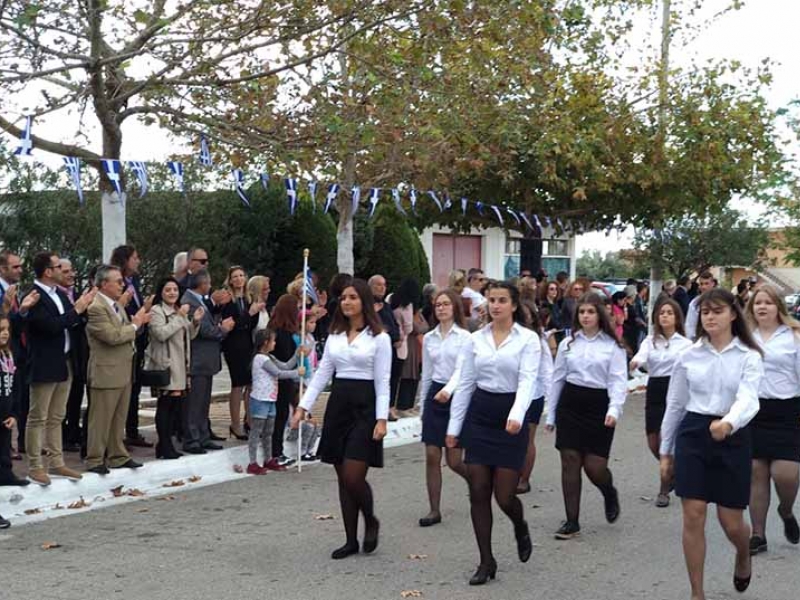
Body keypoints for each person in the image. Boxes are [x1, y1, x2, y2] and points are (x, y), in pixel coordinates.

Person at [660, 288, 762, 599]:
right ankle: (697, 593)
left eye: (717, 311)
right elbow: (675, 404)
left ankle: (742, 552)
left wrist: (728, 422)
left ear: (732, 315)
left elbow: (749, 398)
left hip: (733, 436)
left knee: (731, 523)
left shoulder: (749, 355)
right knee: (693, 513)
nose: (710, 317)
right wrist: (665, 451)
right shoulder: (688, 355)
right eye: (705, 312)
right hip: (693, 433)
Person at [446, 281, 541, 585]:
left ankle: (519, 523)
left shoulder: (528, 340)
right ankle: (486, 561)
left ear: (513, 305)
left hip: (510, 416)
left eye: (502, 300)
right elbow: (465, 383)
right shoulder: (475, 339)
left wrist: (517, 415)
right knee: (478, 490)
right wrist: (454, 428)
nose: (496, 305)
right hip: (481, 415)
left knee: (504, 496)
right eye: (492, 300)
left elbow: (528, 381)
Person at [292, 279, 391, 560]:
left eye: (353, 297)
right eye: (344, 298)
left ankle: (370, 519)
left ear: (364, 301)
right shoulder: (335, 335)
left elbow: (383, 381)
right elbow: (322, 374)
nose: (347, 302)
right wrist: (303, 407)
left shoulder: (379, 337)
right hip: (339, 406)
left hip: (366, 407)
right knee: (342, 478)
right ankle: (350, 540)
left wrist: (381, 419)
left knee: (353, 475)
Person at [546, 292, 627, 540]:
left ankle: (608, 491)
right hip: (570, 404)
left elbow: (618, 381)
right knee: (570, 460)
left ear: (599, 314)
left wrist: (614, 409)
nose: (585, 316)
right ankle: (572, 521)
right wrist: (550, 414)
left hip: (599, 406)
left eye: (590, 312)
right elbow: (557, 379)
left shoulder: (612, 346)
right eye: (581, 312)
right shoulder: (568, 343)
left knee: (594, 467)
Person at [21, 252, 95, 485]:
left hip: (65, 361)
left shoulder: (59, 294)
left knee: (56, 416)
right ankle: (35, 466)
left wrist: (82, 309)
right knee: (38, 417)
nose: (63, 271)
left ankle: (57, 462)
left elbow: (72, 321)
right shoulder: (34, 295)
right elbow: (50, 326)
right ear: (47, 271)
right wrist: (77, 311)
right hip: (44, 362)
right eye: (57, 267)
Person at [744, 285, 800, 553]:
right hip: (754, 411)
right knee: (757, 473)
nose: (762, 307)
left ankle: (786, 511)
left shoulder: (794, 336)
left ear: (778, 306)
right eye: (758, 303)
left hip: (788, 410)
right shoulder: (745, 337)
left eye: (767, 302)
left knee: (785, 474)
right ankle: (758, 535)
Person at [85, 265, 150, 474]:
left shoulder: (116, 305)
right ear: (104, 284)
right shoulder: (96, 307)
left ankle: (117, 455)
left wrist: (135, 324)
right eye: (119, 281)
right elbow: (111, 336)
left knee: (118, 417)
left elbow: (123, 332)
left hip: (123, 369)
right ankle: (95, 458)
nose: (123, 285)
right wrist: (135, 325)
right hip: (105, 371)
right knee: (101, 418)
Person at [630, 299, 692, 507]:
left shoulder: (685, 344)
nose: (665, 316)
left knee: (667, 439)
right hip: (655, 389)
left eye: (669, 312)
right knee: (653, 442)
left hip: (675, 389)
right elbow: (641, 356)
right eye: (662, 312)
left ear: (677, 317)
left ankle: (664, 489)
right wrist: (636, 362)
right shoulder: (650, 341)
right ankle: (674, 470)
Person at [418, 288, 469, 527]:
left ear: (455, 307)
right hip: (434, 394)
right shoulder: (429, 338)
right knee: (431, 455)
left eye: (446, 304)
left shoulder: (465, 337)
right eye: (438, 304)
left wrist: (448, 390)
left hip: (456, 395)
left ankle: (479, 482)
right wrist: (423, 406)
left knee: (455, 460)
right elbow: (427, 374)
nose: (441, 308)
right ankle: (434, 510)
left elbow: (462, 370)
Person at [145, 277, 202, 460]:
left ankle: (165, 444)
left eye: (175, 290)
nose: (172, 293)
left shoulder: (179, 310)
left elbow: (187, 335)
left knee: (175, 406)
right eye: (168, 289)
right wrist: (180, 317)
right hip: (166, 365)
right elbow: (161, 334)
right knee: (165, 405)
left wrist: (195, 322)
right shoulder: (157, 310)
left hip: (181, 365)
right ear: (161, 292)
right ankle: (164, 445)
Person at [181, 270, 234, 454]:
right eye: (209, 283)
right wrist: (223, 329)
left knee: (203, 403)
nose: (210, 286)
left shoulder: (200, 300)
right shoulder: (189, 301)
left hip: (206, 361)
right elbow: (202, 330)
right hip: (197, 360)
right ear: (202, 284)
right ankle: (192, 439)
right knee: (195, 403)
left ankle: (203, 436)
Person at [110, 245, 153, 449]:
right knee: (122, 389)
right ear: (125, 260)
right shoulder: (116, 282)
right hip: (123, 337)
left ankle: (132, 430)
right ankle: (115, 437)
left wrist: (145, 309)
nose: (138, 261)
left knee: (134, 388)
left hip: (137, 339)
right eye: (135, 258)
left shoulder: (134, 281)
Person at [248, 328, 304, 474]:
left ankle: (268, 459)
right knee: (256, 431)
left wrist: (297, 354)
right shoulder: (260, 359)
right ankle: (252, 462)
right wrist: (296, 373)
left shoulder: (270, 357)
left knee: (269, 431)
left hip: (270, 398)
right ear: (265, 342)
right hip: (260, 399)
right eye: (273, 341)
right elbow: (278, 373)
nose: (275, 343)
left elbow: (285, 366)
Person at [221, 266, 263, 440]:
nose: (238, 279)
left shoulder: (248, 298)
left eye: (241, 275)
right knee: (238, 384)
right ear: (230, 280)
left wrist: (253, 313)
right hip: (233, 345)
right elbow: (232, 324)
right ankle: (235, 424)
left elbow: (251, 324)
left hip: (247, 343)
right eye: (235, 276)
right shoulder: (228, 300)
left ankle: (250, 421)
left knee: (250, 384)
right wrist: (249, 313)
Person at [517, 306, 554, 495]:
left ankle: (524, 479)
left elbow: (547, 371)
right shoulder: (509, 337)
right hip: (511, 396)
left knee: (527, 439)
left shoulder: (538, 340)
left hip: (534, 396)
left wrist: (552, 402)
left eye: (527, 315)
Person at [57, 258, 89, 453]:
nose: (71, 275)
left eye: (72, 271)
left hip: (78, 352)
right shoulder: (56, 296)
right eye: (65, 271)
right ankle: (61, 436)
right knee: (61, 399)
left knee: (77, 393)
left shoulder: (77, 295)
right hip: (61, 354)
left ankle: (73, 432)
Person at [0, 251, 29, 457]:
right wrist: (6, 306)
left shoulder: (13, 291)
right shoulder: (4, 293)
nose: (20, 270)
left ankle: (12, 443)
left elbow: (14, 326)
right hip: (3, 353)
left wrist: (23, 310)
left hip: (15, 353)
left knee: (15, 396)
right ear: (3, 269)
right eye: (15, 267)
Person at [270, 294, 302, 466]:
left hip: (284, 378)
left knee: (282, 414)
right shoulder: (281, 333)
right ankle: (276, 452)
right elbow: (284, 361)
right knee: (280, 415)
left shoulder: (279, 329)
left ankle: (277, 450)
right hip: (280, 379)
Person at [0, 315, 29, 487]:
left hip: (6, 413)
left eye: (7, 329)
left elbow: (15, 388)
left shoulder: (8, 355)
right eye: (0, 330)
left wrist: (14, 414)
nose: (5, 333)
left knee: (4, 447)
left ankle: (6, 475)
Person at [389, 279, 418, 420]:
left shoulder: (390, 298)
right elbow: (409, 327)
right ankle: (391, 408)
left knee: (386, 377)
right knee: (395, 378)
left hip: (388, 341)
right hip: (400, 344)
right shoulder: (407, 305)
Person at [685, 272, 717, 339]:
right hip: (701, 338)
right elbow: (690, 325)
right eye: (701, 284)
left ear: (713, 284)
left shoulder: (720, 301)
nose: (704, 287)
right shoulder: (695, 303)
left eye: (706, 283)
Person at [247, 275, 271, 341]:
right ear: (256, 291)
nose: (269, 291)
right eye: (265, 289)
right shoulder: (248, 308)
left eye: (268, 288)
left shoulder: (267, 307)